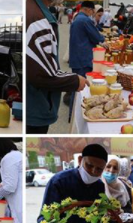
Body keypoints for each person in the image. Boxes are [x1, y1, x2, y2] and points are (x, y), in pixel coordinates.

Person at [26, 0, 87, 134]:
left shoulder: (36, 13)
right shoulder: (37, 19)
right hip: (36, 106)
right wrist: (75, 81)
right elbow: (42, 74)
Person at [38, 144, 108, 223]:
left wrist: (108, 217)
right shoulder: (59, 181)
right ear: (80, 160)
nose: (93, 171)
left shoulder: (99, 186)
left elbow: (97, 217)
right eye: (89, 165)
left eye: (99, 169)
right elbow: (43, 219)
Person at [68, 1, 105, 120]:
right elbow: (96, 37)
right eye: (93, 12)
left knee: (76, 85)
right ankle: (77, 114)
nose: (92, 14)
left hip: (77, 57)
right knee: (81, 86)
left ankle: (72, 113)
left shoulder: (78, 18)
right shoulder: (85, 20)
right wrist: (103, 39)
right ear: (89, 10)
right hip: (83, 58)